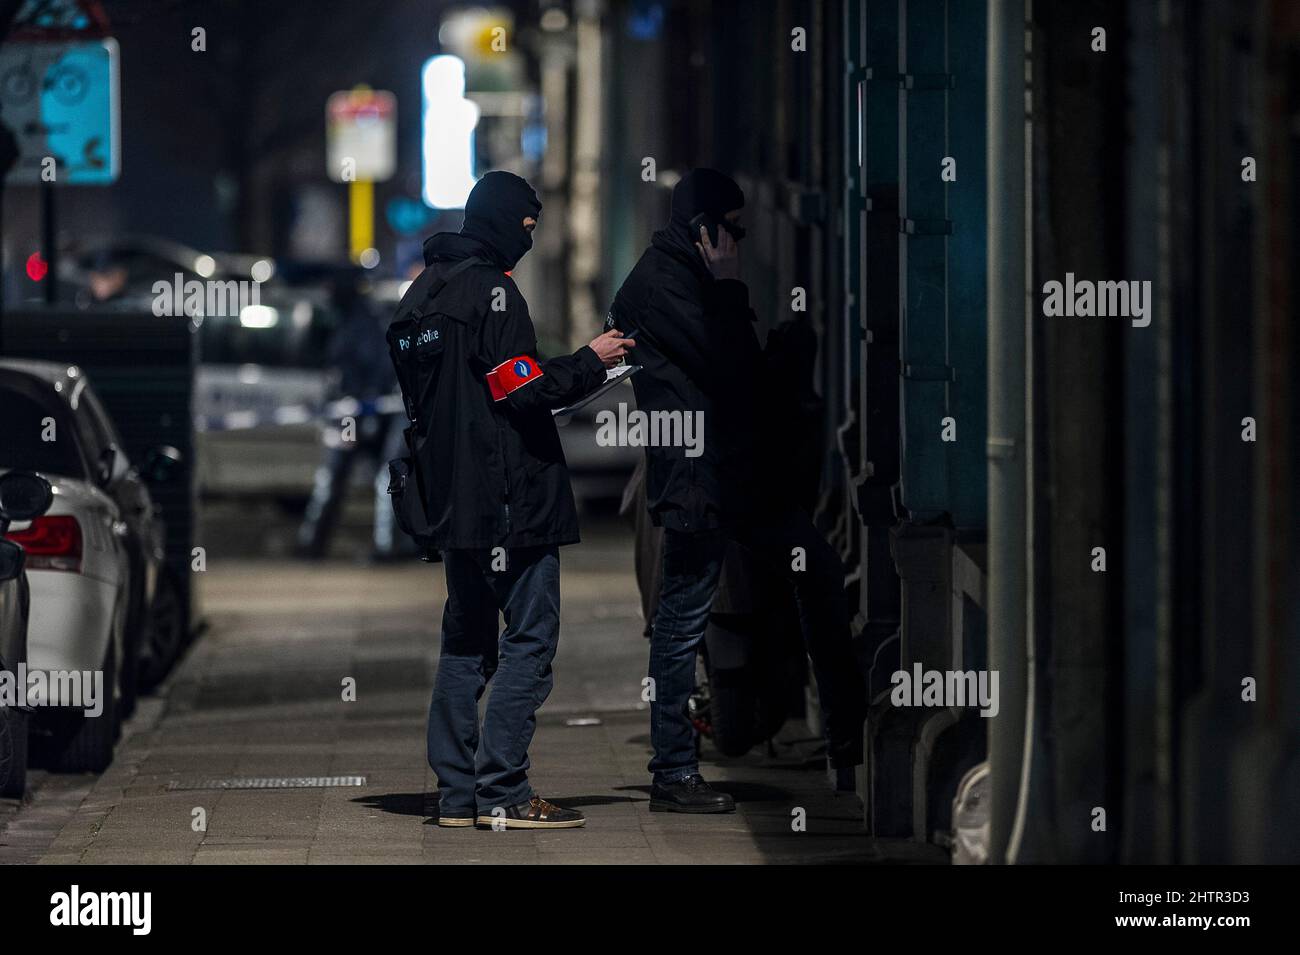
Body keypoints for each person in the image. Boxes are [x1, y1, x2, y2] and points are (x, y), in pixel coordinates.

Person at [607, 168, 868, 813]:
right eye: (733, 229)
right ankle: (673, 773)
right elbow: (734, 373)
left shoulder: (683, 275)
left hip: (733, 479)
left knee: (818, 570)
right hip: (700, 482)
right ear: (705, 230)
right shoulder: (669, 285)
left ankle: (847, 743)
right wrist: (728, 289)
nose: (740, 241)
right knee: (680, 622)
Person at [403, 171, 634, 829]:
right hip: (509, 500)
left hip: (453, 502)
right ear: (500, 220)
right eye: (526, 226)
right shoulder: (493, 293)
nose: (530, 239)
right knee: (529, 639)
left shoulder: (424, 292)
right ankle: (503, 789)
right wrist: (593, 359)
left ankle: (455, 796)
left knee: (465, 641)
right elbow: (520, 388)